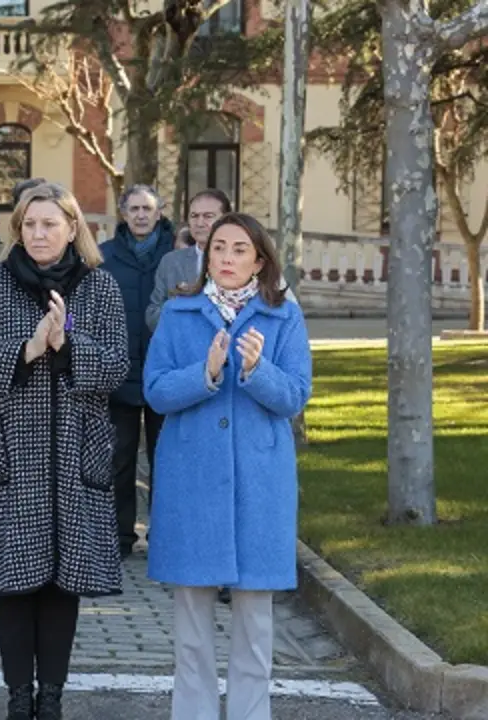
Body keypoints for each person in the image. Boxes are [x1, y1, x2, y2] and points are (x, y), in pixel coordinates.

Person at [0, 182, 128, 720]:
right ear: (17, 230)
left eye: (50, 223)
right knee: (12, 581)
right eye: (29, 224)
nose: (39, 233)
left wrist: (67, 344)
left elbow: (117, 367)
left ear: (73, 227)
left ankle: (51, 697)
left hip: (75, 456)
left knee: (60, 583)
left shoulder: (100, 288)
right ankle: (17, 697)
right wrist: (27, 349)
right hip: (5, 455)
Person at [144, 212, 312, 720]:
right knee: (192, 628)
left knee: (255, 628)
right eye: (219, 248)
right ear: (206, 256)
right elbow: (155, 391)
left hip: (260, 485)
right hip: (191, 483)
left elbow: (295, 396)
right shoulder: (179, 314)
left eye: (240, 249)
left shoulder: (284, 316)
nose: (228, 258)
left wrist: (257, 370)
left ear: (260, 261)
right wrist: (206, 371)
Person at [99, 184, 177, 557]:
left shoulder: (177, 254)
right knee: (120, 459)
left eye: (148, 208)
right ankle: (119, 536)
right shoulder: (105, 257)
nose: (141, 215)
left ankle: (164, 537)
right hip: (120, 373)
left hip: (167, 373)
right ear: (123, 213)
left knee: (168, 459)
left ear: (160, 212)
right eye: (134, 209)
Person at [147, 189, 232, 332]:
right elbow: (152, 315)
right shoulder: (171, 262)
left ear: (227, 219)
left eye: (208, 216)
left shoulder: (242, 261)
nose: (199, 223)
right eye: (194, 216)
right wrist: (182, 308)